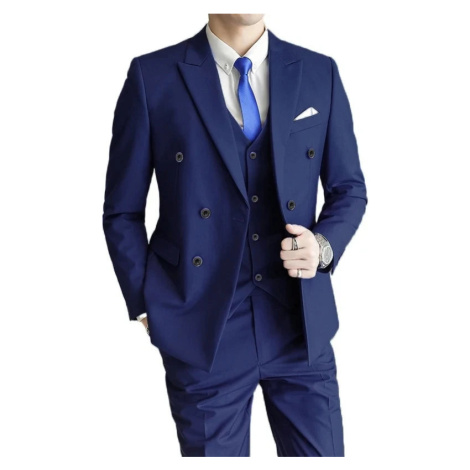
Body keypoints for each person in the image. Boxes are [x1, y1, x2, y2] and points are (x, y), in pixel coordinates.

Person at [102, 13, 367, 457]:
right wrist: (146, 303)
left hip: (300, 326)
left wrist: (322, 246)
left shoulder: (319, 72)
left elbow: (349, 189)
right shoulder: (152, 76)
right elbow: (122, 211)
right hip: (203, 330)